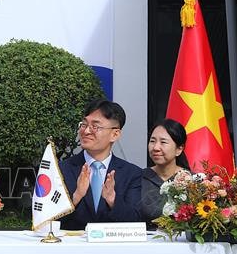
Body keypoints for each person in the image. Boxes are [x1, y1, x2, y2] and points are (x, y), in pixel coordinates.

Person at [59, 98, 142, 230]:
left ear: (115, 134)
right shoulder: (61, 170)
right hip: (72, 248)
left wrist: (113, 200)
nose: (86, 131)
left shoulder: (132, 174)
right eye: (84, 124)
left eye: (95, 126)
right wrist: (76, 197)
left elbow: (136, 221)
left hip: (114, 249)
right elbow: (46, 219)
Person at [140, 118, 189, 229]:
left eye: (163, 142)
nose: (156, 148)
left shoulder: (192, 181)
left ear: (179, 149)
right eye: (152, 141)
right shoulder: (138, 179)